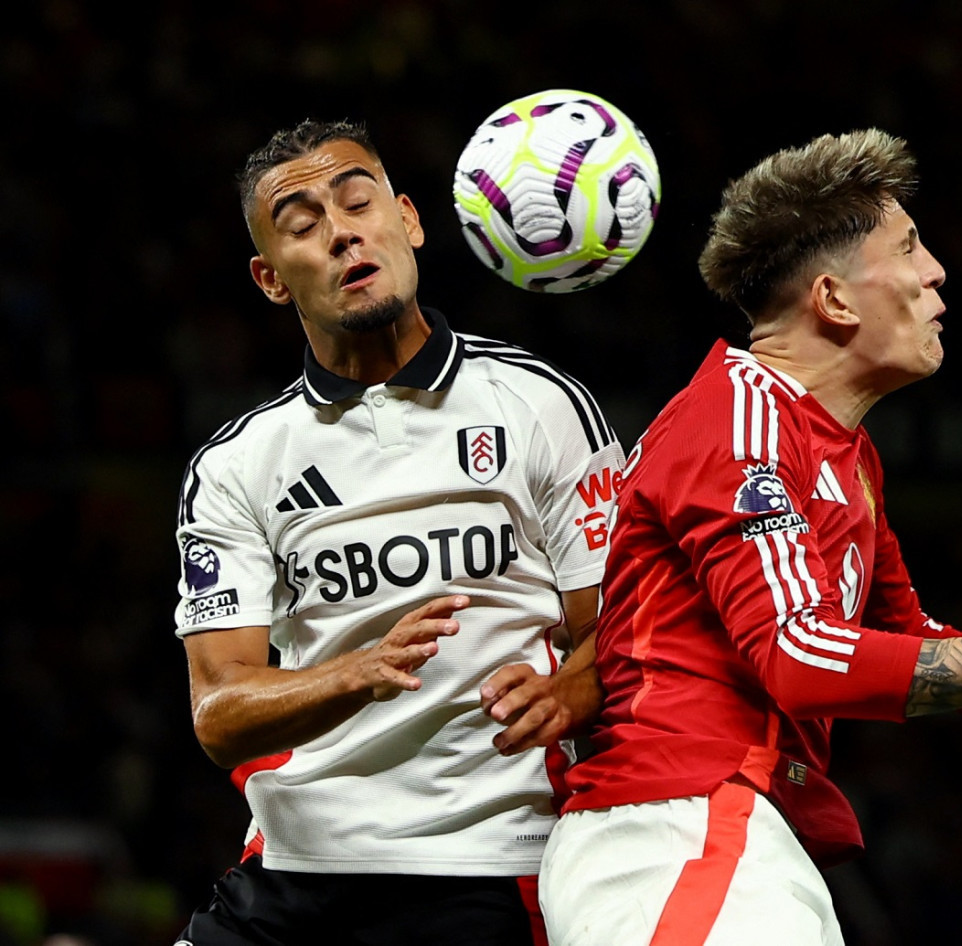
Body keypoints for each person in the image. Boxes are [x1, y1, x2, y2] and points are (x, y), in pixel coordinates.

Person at [537, 128, 962, 946]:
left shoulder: (843, 453)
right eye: (911, 248)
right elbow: (802, 655)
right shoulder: (737, 423)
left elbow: (904, 642)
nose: (936, 273)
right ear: (835, 301)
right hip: (673, 826)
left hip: (746, 832)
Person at [171, 118, 626, 945]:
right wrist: (355, 673)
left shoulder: (540, 405)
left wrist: (569, 691)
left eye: (357, 202)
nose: (342, 231)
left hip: (486, 867)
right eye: (303, 225)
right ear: (272, 279)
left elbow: (627, 632)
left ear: (408, 221)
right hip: (291, 873)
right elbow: (219, 710)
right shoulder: (239, 462)